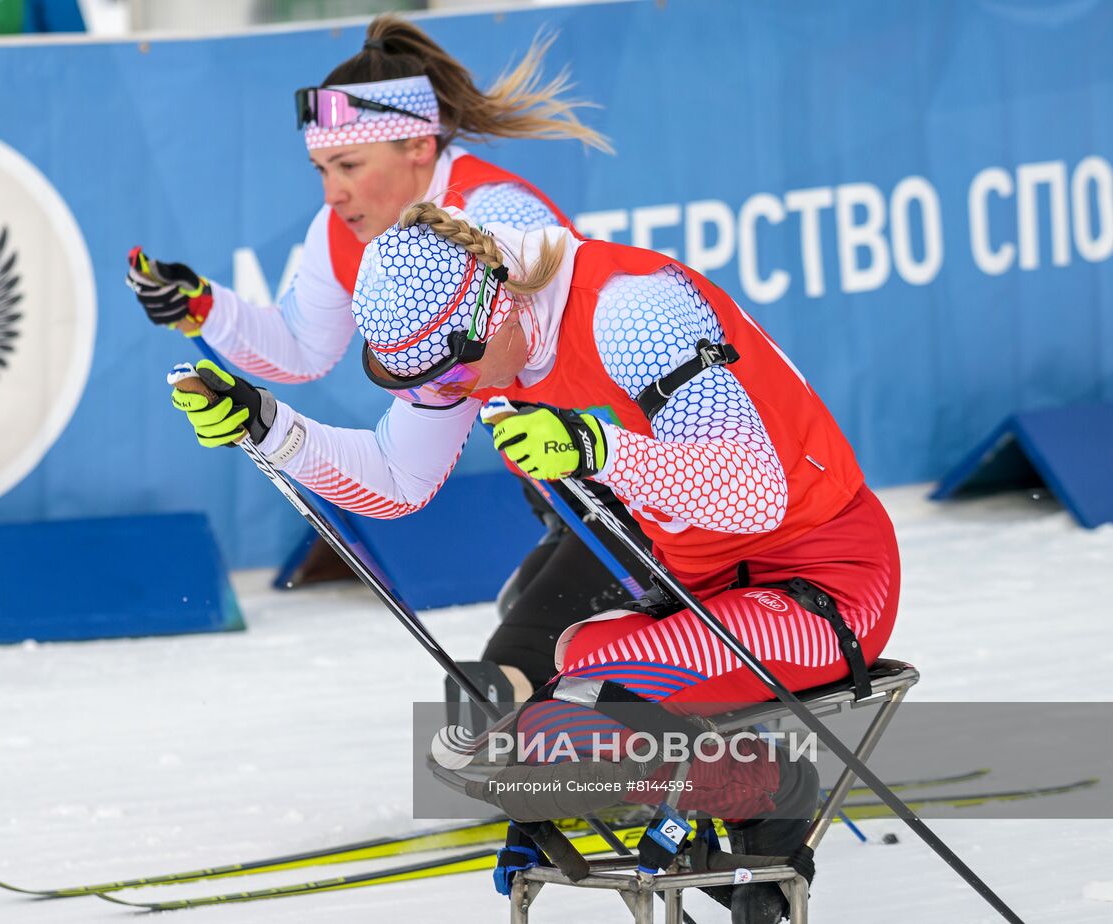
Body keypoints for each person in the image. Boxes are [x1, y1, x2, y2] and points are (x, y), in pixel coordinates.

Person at [167, 203, 901, 922]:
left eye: (455, 376)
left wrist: (597, 449)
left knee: (592, 708)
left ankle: (765, 797)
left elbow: (753, 494)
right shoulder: (473, 336)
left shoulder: (631, 312)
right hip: (704, 595)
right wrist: (272, 429)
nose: (454, 395)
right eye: (430, 384)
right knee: (570, 676)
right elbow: (397, 480)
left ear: (502, 309)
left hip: (826, 582)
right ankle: (749, 810)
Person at [129, 15, 620, 701]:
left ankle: (691, 752)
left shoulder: (498, 222)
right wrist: (207, 312)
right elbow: (305, 351)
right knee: (518, 655)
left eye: (350, 166)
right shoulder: (354, 231)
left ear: (419, 144)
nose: (332, 193)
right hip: (569, 487)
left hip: (646, 484)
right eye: (322, 169)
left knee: (513, 680)